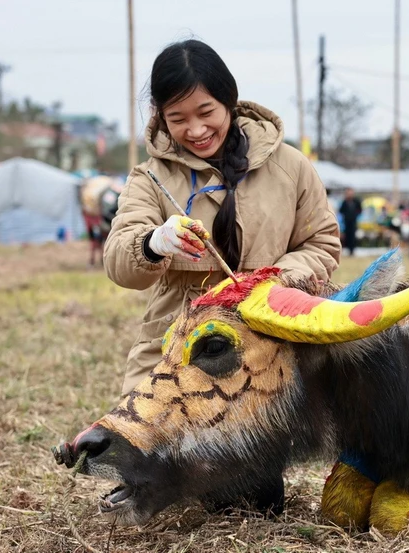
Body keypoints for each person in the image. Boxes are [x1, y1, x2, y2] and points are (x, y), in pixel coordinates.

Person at [105, 39, 340, 396]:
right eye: (178, 119)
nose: (196, 130)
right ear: (160, 116)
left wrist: (272, 283)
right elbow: (119, 262)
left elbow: (320, 242)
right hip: (175, 348)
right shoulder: (149, 178)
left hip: (272, 342)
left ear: (229, 99)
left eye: (206, 112)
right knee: (135, 444)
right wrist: (154, 244)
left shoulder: (290, 166)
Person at [338, 187, 362, 256]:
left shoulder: (356, 201)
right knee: (347, 236)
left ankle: (352, 250)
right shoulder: (345, 202)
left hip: (353, 222)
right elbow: (341, 211)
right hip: (346, 222)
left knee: (353, 236)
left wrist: (356, 215)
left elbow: (360, 210)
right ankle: (347, 250)